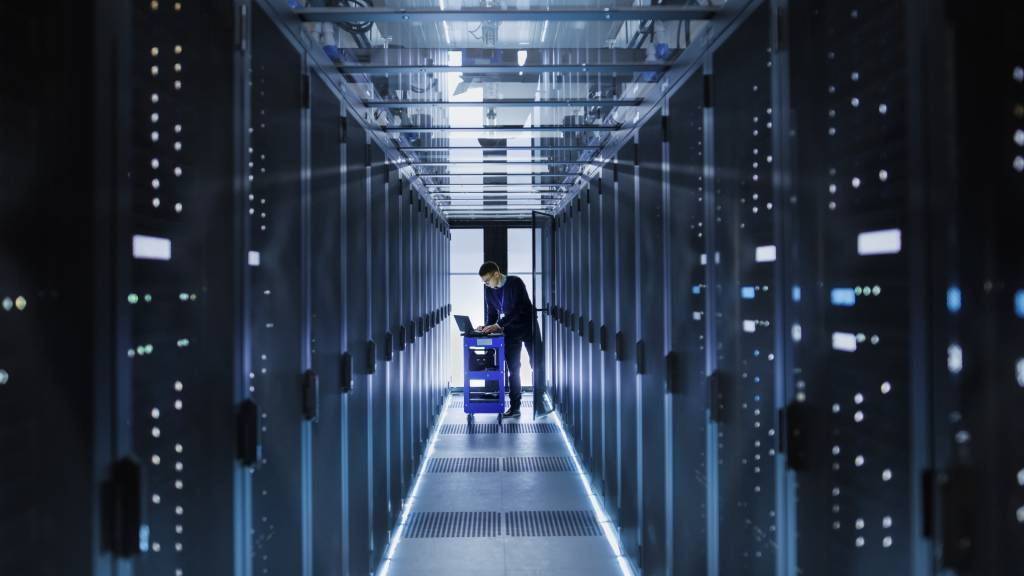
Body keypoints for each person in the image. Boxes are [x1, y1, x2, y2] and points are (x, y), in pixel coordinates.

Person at [476, 261, 544, 418]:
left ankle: (540, 401)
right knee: (514, 369)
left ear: (496, 274)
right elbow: (492, 313)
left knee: (537, 364)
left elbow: (518, 309)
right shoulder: (489, 290)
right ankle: (515, 407)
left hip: (528, 327)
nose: (486, 284)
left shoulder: (515, 282)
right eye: (483, 282)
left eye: (487, 280)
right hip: (510, 330)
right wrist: (487, 327)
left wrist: (498, 324)